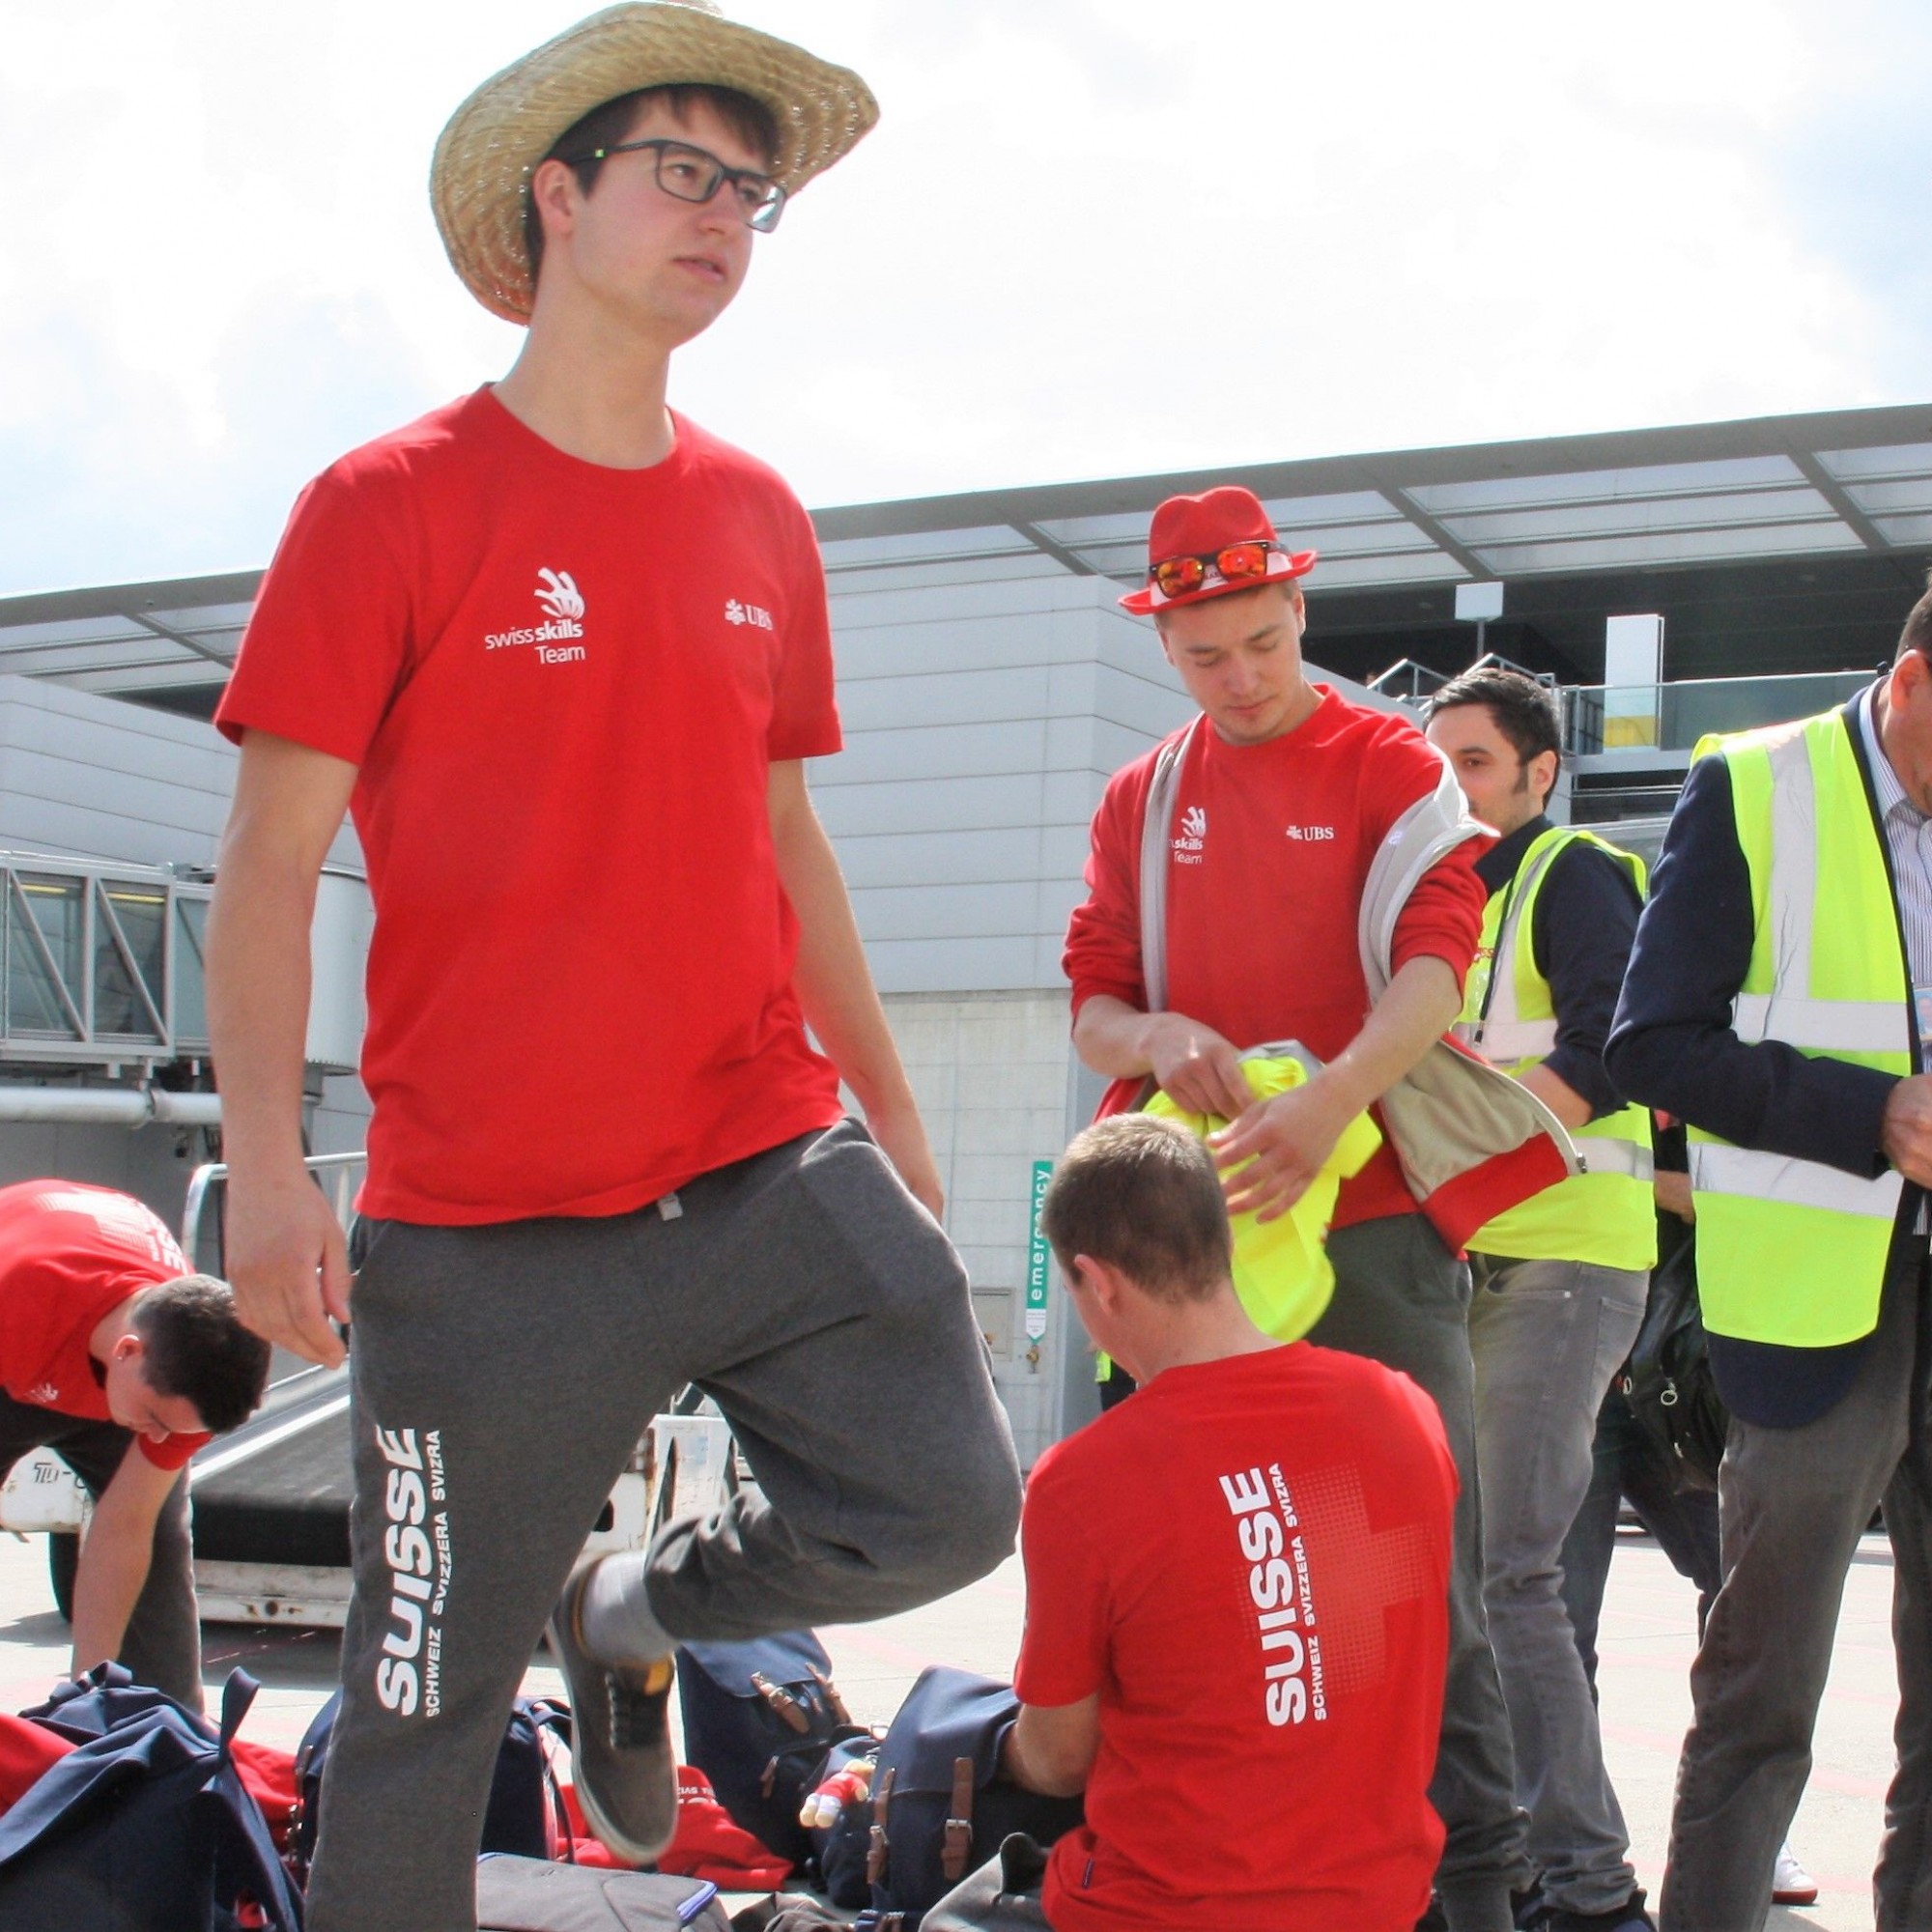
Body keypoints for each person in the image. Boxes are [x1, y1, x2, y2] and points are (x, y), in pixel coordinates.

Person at [204, 9, 1021, 1928]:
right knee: (418, 1717)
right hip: (488, 1237)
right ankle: (557, 1623)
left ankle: (634, 1604)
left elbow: (787, 839)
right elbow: (265, 858)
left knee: (948, 1504)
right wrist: (257, 1166)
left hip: (757, 1157)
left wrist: (890, 1120)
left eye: (753, 191)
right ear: (555, 197)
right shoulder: (385, 504)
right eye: (683, 170)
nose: (725, 216)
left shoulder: (755, 516)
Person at [1064, 485, 1541, 1932]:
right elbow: (1092, 1000)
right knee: (1169, 1592)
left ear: (1301, 613)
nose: (1246, 679)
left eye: (1266, 643)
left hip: (1377, 1231)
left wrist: (1333, 1098)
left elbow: (1437, 969)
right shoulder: (1142, 798)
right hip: (1182, 1255)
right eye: (1209, 657)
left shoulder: (1390, 763)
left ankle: (1473, 1901)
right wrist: (1151, 1041)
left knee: (1418, 1596)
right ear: (1164, 644)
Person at [1606, 572, 1932, 1931]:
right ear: (1916, 688)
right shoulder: (1754, 784)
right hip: (1817, 1316)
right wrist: (1875, 1112)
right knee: (1762, 1693)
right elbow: (1651, 1044)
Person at [1002, 1113, 1457, 1930]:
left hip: (1166, 1910)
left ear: (1097, 1281)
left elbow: (1058, 1759)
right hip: (1379, 1905)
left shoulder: (1085, 1480)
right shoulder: (1402, 1411)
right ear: (1221, 1248)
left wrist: (988, 1745)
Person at [1424, 669, 1655, 1932]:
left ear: (1537, 773)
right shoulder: (1444, 900)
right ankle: (1498, 1859)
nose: (1449, 784)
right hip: (1461, 1263)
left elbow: (1616, 1041)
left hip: (1565, 1255)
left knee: (1509, 1576)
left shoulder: (1568, 871)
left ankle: (1588, 1889)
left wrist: (1484, 1159)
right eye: (1437, 762)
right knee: (1469, 1581)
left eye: (1473, 761)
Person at [0, 1179, 269, 1708]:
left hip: (107, 1365)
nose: (160, 1440)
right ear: (127, 1351)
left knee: (159, 1542)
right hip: (19, 1346)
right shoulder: (20, 1298)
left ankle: (157, 1732)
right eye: (154, 1421)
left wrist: (85, 1698)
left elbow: (124, 1528)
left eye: (174, 1431)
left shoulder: (195, 1371)